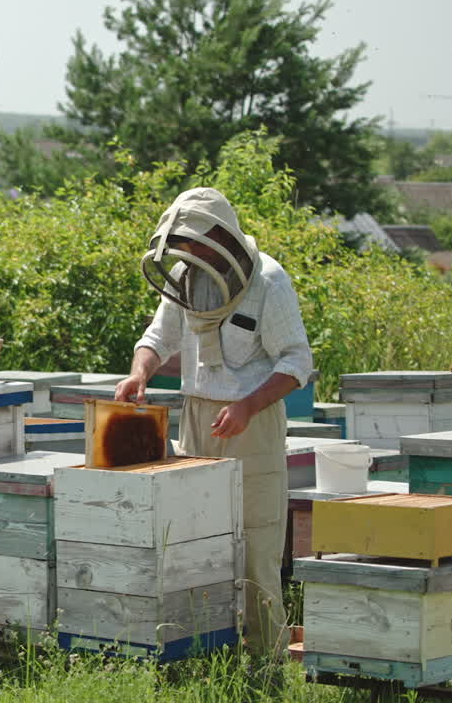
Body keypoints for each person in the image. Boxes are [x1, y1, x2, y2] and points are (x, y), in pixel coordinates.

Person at [115, 187, 312, 656]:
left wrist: (247, 406)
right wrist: (139, 372)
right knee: (195, 542)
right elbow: (157, 337)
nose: (189, 252)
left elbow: (296, 362)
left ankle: (265, 665)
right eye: (183, 244)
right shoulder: (184, 276)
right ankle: (207, 654)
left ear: (222, 235)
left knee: (256, 547)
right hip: (198, 420)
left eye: (196, 242)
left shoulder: (269, 280)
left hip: (254, 422)